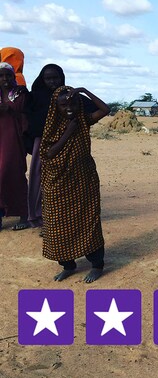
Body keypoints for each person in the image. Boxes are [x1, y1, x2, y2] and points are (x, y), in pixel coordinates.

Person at [40, 86, 110, 282]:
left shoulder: (83, 120)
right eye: (63, 105)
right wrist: (68, 133)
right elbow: (48, 153)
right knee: (57, 225)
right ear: (56, 107)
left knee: (88, 221)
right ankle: (68, 265)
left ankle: (97, 264)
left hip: (83, 181)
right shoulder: (52, 126)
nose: (69, 108)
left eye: (72, 103)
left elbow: (105, 110)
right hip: (57, 184)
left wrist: (83, 90)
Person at [25, 64, 67, 229]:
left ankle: (60, 216)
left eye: (55, 78)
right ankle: (39, 215)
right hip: (41, 143)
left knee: (62, 179)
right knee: (39, 176)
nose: (52, 82)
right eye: (48, 78)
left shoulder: (67, 96)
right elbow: (28, 120)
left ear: (61, 78)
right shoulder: (34, 97)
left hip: (65, 141)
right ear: (42, 80)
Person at [0, 62, 29, 231]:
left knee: (12, 174)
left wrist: (9, 109)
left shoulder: (20, 93)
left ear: (13, 76)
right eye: (1, 75)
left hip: (13, 139)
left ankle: (24, 214)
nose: (5, 79)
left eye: (8, 75)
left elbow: (25, 113)